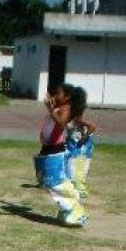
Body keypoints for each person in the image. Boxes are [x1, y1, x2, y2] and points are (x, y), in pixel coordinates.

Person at [33, 83, 87, 226]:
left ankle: (75, 210)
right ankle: (67, 208)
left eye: (59, 94)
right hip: (48, 148)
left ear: (67, 97)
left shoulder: (66, 108)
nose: (56, 96)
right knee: (47, 180)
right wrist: (51, 107)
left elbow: (62, 122)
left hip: (55, 149)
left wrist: (51, 110)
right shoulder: (59, 107)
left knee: (54, 182)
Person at [64, 86, 99, 200]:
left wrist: (84, 137)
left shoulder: (76, 116)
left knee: (75, 175)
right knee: (72, 174)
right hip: (74, 146)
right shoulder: (71, 112)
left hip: (80, 147)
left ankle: (79, 194)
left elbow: (92, 127)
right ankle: (77, 193)